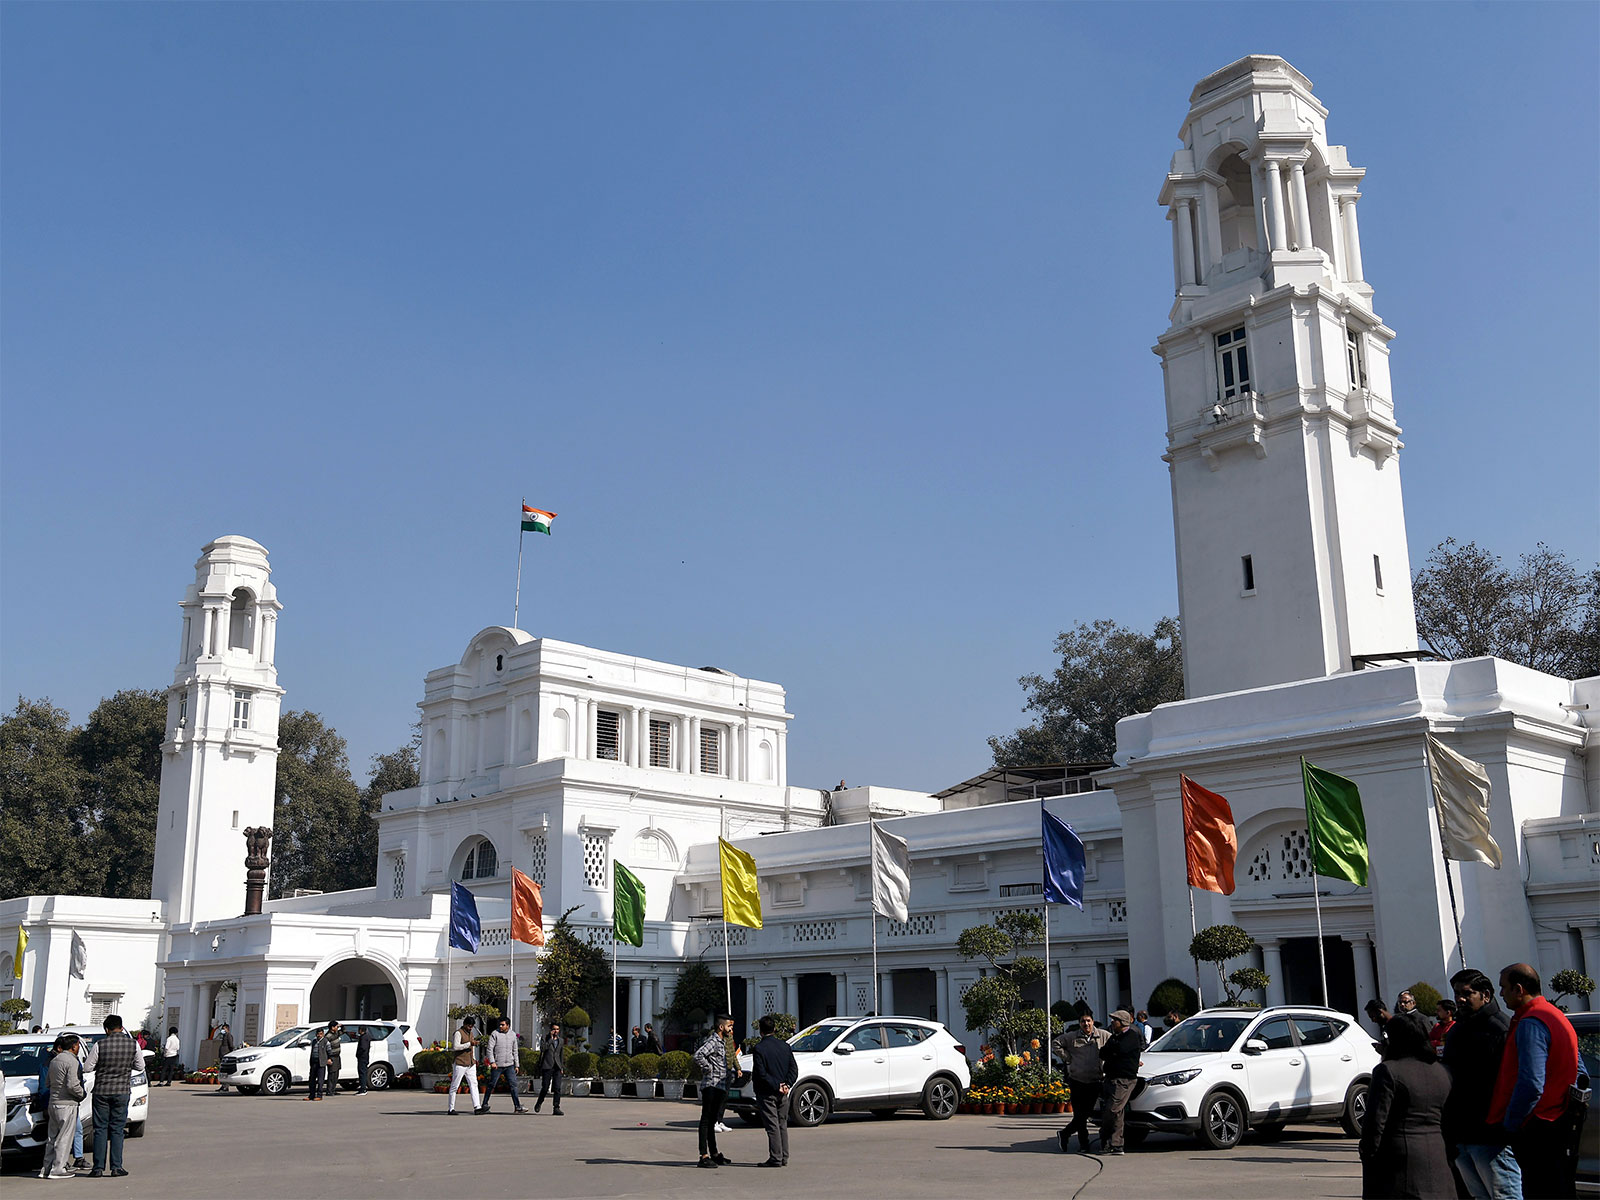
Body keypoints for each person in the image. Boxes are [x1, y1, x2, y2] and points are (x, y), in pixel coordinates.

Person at [1489, 962, 1583, 1200]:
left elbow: (1531, 1083)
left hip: (1538, 1125)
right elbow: (1581, 1072)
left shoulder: (1531, 1022)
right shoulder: (1556, 1016)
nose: (1501, 994)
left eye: (1503, 988)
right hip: (1558, 1119)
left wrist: (1512, 1122)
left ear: (1518, 989)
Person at [1442, 968, 1521, 1200]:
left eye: (1467, 993)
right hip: (1461, 1133)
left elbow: (1509, 1084)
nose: (1460, 999)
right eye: (1457, 993)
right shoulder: (1458, 1030)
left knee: (1504, 1196)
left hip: (1491, 1136)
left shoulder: (1501, 1029)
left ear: (1485, 995)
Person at [1360, 1014, 1453, 1198]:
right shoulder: (1441, 1071)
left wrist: (1368, 1155)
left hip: (1399, 1159)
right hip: (1438, 1154)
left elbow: (1374, 1122)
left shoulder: (1388, 1071)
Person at [85, 1013, 139, 1178]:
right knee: (117, 1129)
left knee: (100, 1129)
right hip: (122, 1091)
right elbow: (140, 1066)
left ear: (106, 1029)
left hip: (101, 1091)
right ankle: (116, 1167)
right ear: (122, 1028)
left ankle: (98, 1168)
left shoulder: (100, 1045)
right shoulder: (133, 1044)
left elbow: (88, 1067)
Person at [1055, 1011, 1109, 1154]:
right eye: (1083, 1021)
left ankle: (1065, 1134)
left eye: (1088, 1021)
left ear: (1093, 1021)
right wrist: (1067, 1058)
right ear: (1080, 1023)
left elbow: (1117, 1046)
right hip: (1077, 1081)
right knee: (1079, 1115)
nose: (1086, 1024)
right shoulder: (1072, 1036)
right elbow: (1056, 1043)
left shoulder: (1103, 1035)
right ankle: (1083, 1144)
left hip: (1095, 1080)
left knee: (1085, 1114)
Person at [751, 1013, 798, 1167]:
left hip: (767, 1092)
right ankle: (784, 1156)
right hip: (783, 1092)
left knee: (772, 1125)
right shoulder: (785, 1046)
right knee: (782, 1124)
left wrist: (775, 1085)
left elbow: (761, 1072)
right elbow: (793, 1069)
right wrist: (787, 1084)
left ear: (760, 1031)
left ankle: (775, 1157)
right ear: (775, 1029)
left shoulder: (759, 1048)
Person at [694, 1013, 738, 1168]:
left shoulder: (723, 1042)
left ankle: (714, 1153)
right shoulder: (713, 1041)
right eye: (729, 1026)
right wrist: (709, 1068)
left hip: (720, 1085)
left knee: (713, 1121)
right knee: (706, 1120)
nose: (731, 1029)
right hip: (711, 1085)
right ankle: (703, 1155)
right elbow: (698, 1055)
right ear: (721, 1027)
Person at [1098, 1010, 1144, 1156]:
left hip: (1124, 1080)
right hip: (1111, 1078)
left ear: (1123, 1022)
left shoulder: (1131, 1036)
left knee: (1112, 1110)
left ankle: (1106, 1138)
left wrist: (1113, 1051)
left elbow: (1120, 1049)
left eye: (1115, 1020)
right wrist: (1112, 1051)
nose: (1112, 1022)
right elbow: (1103, 1053)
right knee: (1117, 1112)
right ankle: (1116, 1144)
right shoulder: (1114, 1037)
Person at [40, 1033, 85, 1180]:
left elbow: (47, 1083)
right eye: (78, 1045)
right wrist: (81, 1094)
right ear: (73, 1046)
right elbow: (73, 1084)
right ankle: (58, 1168)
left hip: (53, 1102)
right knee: (64, 1137)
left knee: (52, 1137)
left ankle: (46, 1168)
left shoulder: (54, 1060)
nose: (78, 1048)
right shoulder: (72, 1061)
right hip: (67, 1103)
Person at [481, 1017, 526, 1114]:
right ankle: (484, 1104)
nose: (500, 1026)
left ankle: (517, 1106)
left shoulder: (513, 1035)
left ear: (508, 1025)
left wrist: (517, 1065)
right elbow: (489, 1049)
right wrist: (492, 1062)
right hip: (497, 1065)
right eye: (500, 1025)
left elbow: (515, 1051)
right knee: (492, 1084)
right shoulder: (495, 1034)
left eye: (503, 1025)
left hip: (509, 1065)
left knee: (513, 1085)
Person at [447, 1016, 481, 1115]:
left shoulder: (471, 1033)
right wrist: (469, 1044)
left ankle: (477, 1106)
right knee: (455, 1086)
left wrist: (474, 1059)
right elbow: (456, 1047)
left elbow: (472, 1048)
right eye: (469, 1026)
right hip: (460, 1063)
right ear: (465, 1024)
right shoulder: (458, 1033)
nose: (470, 1028)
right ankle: (451, 1108)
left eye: (472, 1026)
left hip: (470, 1063)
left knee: (474, 1084)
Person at [533, 1021, 564, 1115]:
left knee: (557, 1088)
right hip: (547, 1065)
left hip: (557, 1066)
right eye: (554, 1029)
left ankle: (556, 1107)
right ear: (550, 1030)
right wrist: (550, 1039)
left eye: (557, 1029)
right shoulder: (545, 1039)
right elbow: (543, 1048)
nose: (556, 1031)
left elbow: (561, 1054)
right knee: (545, 1087)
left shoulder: (561, 1040)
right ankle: (539, 1103)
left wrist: (561, 1066)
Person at [307, 1026, 328, 1101]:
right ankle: (311, 1095)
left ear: (323, 1034)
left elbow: (329, 1051)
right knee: (312, 1080)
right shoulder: (314, 1041)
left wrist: (328, 1059)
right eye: (318, 1034)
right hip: (314, 1062)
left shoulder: (325, 1041)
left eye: (321, 1034)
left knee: (320, 1080)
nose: (319, 1035)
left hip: (321, 1063)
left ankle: (319, 1095)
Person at [323, 1021, 343, 1096]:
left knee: (336, 1074)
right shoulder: (328, 1036)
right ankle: (329, 1091)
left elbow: (343, 1031)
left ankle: (333, 1090)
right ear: (332, 1027)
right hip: (332, 1057)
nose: (337, 1028)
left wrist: (341, 1026)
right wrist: (328, 1058)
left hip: (337, 1056)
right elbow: (325, 1048)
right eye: (336, 1027)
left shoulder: (336, 1033)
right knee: (331, 1074)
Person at [214, 1022, 235, 1093]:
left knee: (225, 1071)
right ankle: (223, 1086)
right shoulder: (224, 1036)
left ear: (227, 1029)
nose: (222, 1030)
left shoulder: (228, 1035)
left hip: (226, 1055)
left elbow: (231, 1045)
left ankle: (225, 1087)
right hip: (222, 1055)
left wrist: (231, 1054)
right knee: (222, 1071)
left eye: (223, 1028)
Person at [354, 1024, 372, 1095]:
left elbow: (363, 1047)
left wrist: (358, 1054)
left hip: (362, 1057)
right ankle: (362, 1088)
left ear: (361, 1030)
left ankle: (363, 1089)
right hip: (365, 1057)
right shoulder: (367, 1036)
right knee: (363, 1072)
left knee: (362, 1073)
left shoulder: (364, 1037)